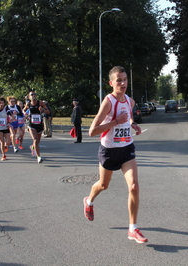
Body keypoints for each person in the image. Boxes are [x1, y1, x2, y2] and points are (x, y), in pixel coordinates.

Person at [83, 66, 147, 244]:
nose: (123, 83)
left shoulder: (130, 101)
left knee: (134, 186)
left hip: (127, 148)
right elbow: (92, 131)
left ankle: (132, 229)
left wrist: (132, 124)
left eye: (125, 79)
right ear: (111, 83)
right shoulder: (109, 102)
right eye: (119, 80)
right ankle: (89, 201)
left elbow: (129, 115)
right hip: (109, 150)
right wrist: (115, 122)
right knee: (103, 185)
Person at [23, 91, 50, 164]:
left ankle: (32, 147)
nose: (33, 96)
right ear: (29, 97)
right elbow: (23, 110)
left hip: (39, 124)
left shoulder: (40, 103)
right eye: (32, 95)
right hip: (32, 124)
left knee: (37, 142)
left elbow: (48, 111)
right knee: (35, 139)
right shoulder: (28, 104)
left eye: (35, 94)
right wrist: (25, 114)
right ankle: (38, 157)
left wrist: (43, 110)